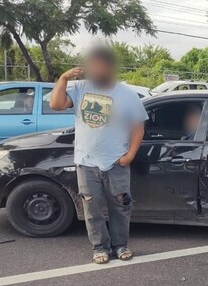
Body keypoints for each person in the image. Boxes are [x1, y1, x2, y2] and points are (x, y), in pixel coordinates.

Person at [49, 45, 148, 264]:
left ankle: (120, 246)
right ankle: (100, 248)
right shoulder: (80, 88)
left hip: (116, 162)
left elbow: (138, 127)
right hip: (86, 163)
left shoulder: (127, 94)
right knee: (91, 208)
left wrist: (129, 156)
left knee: (120, 207)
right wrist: (64, 78)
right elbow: (56, 104)